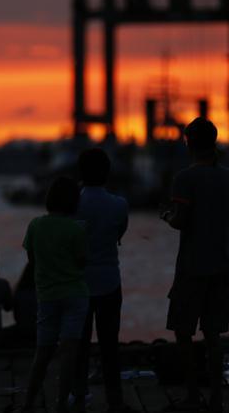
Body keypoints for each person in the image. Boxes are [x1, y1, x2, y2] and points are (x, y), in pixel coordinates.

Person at [160, 118, 229, 413]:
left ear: (190, 142)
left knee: (182, 330)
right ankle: (216, 398)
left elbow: (181, 220)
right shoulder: (228, 178)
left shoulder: (185, 178)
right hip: (220, 263)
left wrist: (166, 216)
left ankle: (192, 395)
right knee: (214, 334)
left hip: (192, 265)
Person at [20, 177, 89, 413]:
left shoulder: (35, 225)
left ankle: (28, 403)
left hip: (47, 295)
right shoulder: (76, 229)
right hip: (75, 295)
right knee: (68, 352)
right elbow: (81, 262)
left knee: (43, 351)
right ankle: (61, 404)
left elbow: (32, 260)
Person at [72, 148, 131, 412]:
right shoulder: (120, 205)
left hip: (79, 282)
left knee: (79, 344)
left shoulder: (72, 205)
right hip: (109, 280)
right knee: (109, 345)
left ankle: (79, 395)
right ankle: (114, 400)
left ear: (80, 173)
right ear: (108, 173)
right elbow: (119, 233)